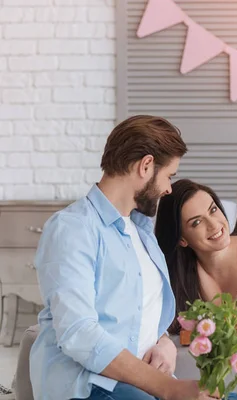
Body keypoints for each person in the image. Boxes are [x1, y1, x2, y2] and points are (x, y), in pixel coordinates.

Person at [31, 115, 217, 400]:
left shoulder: (141, 231)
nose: (168, 189)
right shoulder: (73, 228)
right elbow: (79, 333)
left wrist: (164, 342)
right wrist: (167, 388)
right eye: (169, 176)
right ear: (146, 166)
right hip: (90, 387)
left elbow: (137, 318)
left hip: (143, 384)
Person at [155, 179, 237, 335]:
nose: (214, 225)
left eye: (213, 210)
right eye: (197, 222)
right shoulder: (180, 277)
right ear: (182, 239)